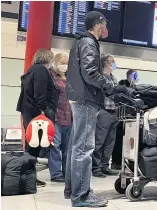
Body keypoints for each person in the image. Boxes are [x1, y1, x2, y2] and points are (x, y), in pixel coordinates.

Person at [64, 11, 129, 207]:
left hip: (79, 98)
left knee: (75, 147)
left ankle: (71, 189)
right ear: (98, 24)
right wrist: (110, 86)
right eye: (104, 23)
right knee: (84, 148)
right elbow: (91, 72)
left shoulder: (81, 41)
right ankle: (82, 195)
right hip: (86, 99)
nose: (106, 27)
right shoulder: (89, 42)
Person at [16, 49, 59, 187]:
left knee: (32, 145)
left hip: (29, 112)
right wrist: (45, 111)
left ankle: (29, 176)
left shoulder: (33, 70)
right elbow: (39, 93)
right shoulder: (41, 70)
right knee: (33, 146)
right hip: (36, 114)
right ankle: (27, 177)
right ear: (48, 58)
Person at [92, 53, 120, 178]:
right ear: (105, 63)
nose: (113, 63)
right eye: (111, 61)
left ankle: (104, 165)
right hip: (103, 111)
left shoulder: (114, 78)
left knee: (110, 142)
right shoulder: (100, 77)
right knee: (99, 141)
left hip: (115, 112)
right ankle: (95, 167)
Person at [47, 53, 72, 183]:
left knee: (67, 147)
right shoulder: (51, 76)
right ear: (56, 63)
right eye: (62, 62)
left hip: (69, 116)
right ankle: (56, 173)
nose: (65, 65)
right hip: (56, 115)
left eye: (67, 62)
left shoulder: (70, 77)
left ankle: (66, 172)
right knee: (55, 146)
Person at [111, 69, 138, 170]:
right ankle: (115, 161)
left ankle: (127, 161)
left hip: (131, 118)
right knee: (118, 140)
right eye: (133, 76)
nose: (135, 79)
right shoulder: (122, 85)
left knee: (129, 141)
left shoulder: (135, 88)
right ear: (128, 76)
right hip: (121, 116)